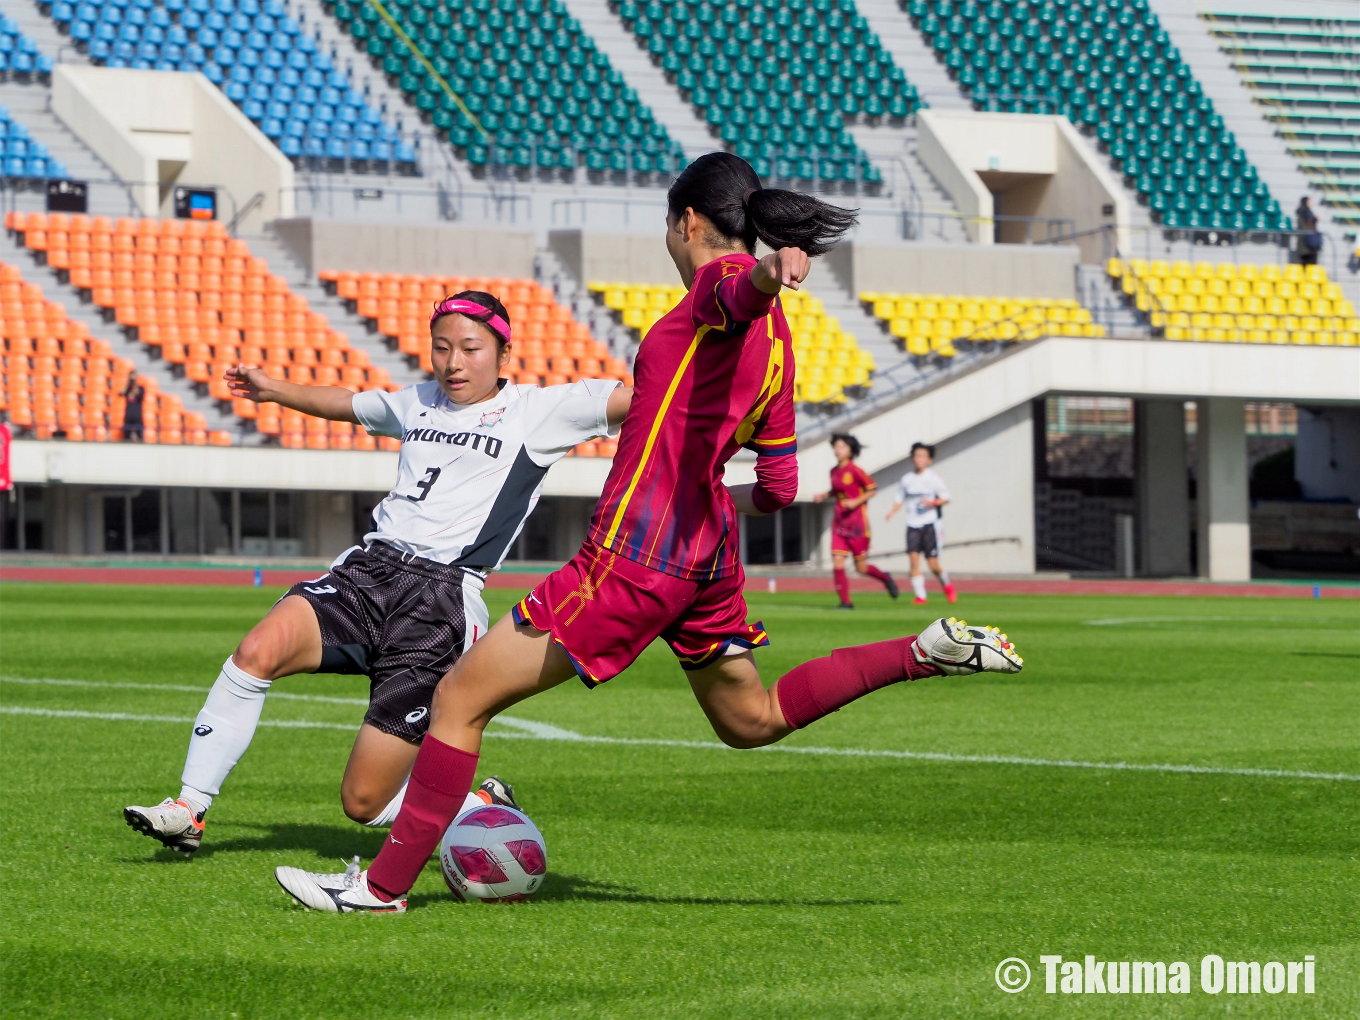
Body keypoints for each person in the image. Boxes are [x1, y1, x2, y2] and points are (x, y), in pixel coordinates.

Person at [273, 152, 1023, 914]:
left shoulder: (715, 290)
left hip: (634, 555)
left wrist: (768, 272)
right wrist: (705, 492)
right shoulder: (782, 354)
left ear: (687, 222)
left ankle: (380, 889)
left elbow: (739, 288)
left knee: (459, 698)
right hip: (708, 559)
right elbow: (779, 489)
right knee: (749, 720)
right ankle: (919, 651)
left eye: (671, 228)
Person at [123, 291, 633, 854]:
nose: (453, 363)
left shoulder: (544, 410)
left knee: (364, 804)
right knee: (256, 651)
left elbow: (640, 400)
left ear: (504, 355)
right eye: (441, 348)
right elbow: (347, 403)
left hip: (440, 600)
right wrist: (272, 390)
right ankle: (189, 808)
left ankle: (478, 807)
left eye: (470, 348)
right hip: (366, 574)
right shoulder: (418, 401)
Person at [813, 432, 898, 608]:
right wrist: (824, 495)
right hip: (839, 523)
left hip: (857, 525)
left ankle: (884, 577)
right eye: (836, 446)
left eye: (842, 446)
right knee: (837, 561)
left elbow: (872, 489)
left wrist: (855, 502)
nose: (837, 450)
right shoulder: (834, 471)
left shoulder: (856, 470)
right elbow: (836, 491)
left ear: (851, 450)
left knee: (861, 568)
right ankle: (845, 602)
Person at [886, 442, 955, 605]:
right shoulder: (907, 479)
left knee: (933, 565)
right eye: (917, 455)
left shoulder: (933, 478)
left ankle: (946, 583)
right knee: (913, 560)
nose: (919, 459)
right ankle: (921, 596)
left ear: (929, 460)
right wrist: (891, 512)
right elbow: (899, 499)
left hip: (930, 524)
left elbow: (946, 497)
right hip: (912, 525)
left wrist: (933, 503)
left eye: (923, 456)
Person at [1295, 197, 1319, 267]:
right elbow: (1309, 221)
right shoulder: (1306, 211)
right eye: (1309, 201)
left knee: (1305, 261)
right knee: (1310, 261)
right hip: (1308, 240)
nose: (1311, 202)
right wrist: (1315, 219)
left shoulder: (1301, 211)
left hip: (1304, 240)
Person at [121, 376, 145, 442]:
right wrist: (128, 384)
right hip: (128, 414)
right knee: (127, 434)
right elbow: (121, 393)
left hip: (137, 414)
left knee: (139, 433)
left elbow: (140, 395)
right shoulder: (128, 389)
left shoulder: (141, 388)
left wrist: (134, 385)